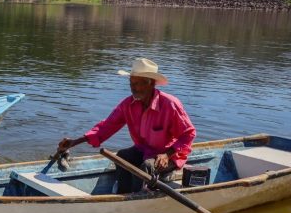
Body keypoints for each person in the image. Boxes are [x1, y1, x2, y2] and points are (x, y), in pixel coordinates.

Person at [57, 58, 196, 194]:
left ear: (151, 84)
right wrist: (75, 142)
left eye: (137, 84)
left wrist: (166, 155)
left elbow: (188, 134)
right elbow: (107, 126)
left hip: (169, 155)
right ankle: (122, 194)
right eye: (131, 83)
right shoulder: (128, 105)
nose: (133, 88)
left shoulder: (170, 104)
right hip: (144, 150)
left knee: (146, 166)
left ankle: (136, 197)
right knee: (122, 156)